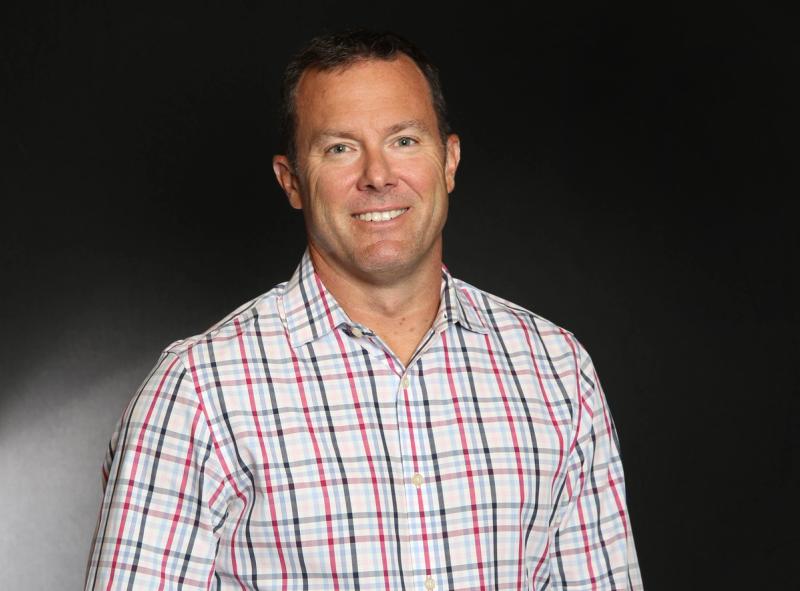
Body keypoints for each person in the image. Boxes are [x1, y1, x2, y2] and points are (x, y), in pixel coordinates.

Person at [84, 27, 643, 590]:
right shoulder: (198, 393)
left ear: (449, 161)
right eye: (340, 149)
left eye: (404, 141)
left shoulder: (556, 369)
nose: (377, 176)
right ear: (291, 181)